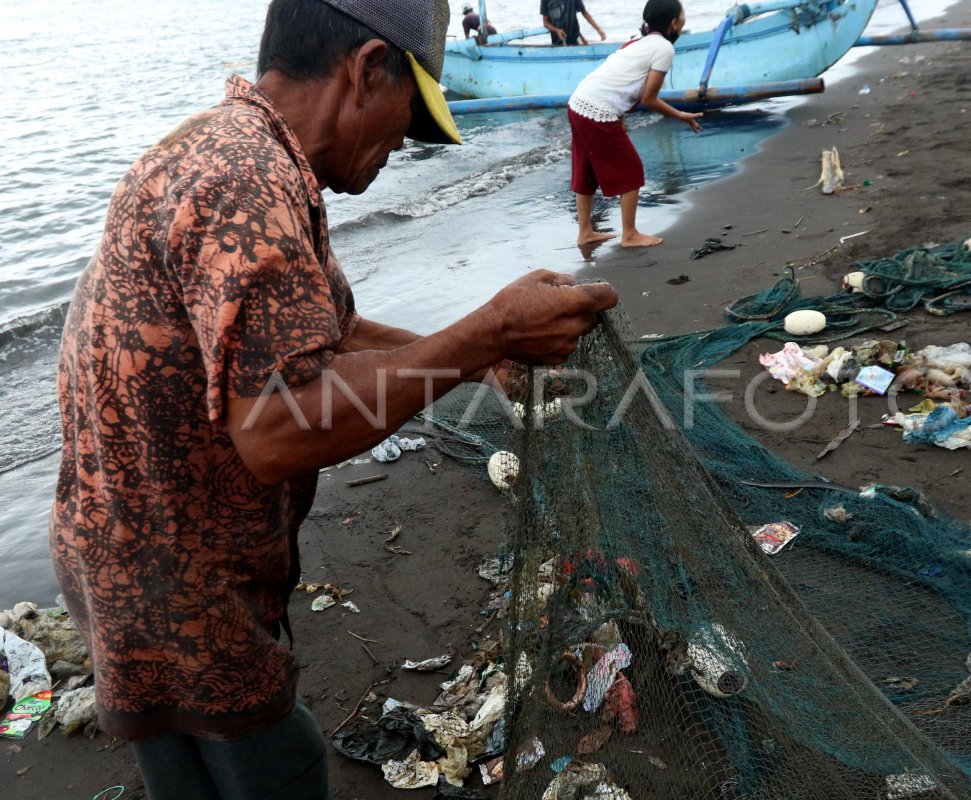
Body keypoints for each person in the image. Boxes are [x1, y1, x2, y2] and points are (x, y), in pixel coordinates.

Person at [50, 0, 617, 797]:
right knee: (281, 769)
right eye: (408, 118)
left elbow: (329, 334)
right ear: (368, 68)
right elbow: (278, 428)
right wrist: (487, 335)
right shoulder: (249, 181)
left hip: (122, 554)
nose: (401, 145)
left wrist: (484, 352)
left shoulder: (228, 146)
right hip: (182, 589)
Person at [567, 0, 700, 248]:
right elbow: (648, 98)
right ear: (673, 23)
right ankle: (629, 235)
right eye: (682, 18)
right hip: (598, 109)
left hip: (578, 102)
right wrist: (680, 115)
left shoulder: (638, 42)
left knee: (586, 170)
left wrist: (620, 117)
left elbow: (622, 84)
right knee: (631, 169)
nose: (683, 23)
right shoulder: (663, 49)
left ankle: (585, 233)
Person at [541, 0, 605, 46]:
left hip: (575, 37)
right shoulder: (545, 1)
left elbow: (584, 12)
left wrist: (598, 29)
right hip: (557, 42)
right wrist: (557, 30)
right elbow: (545, 23)